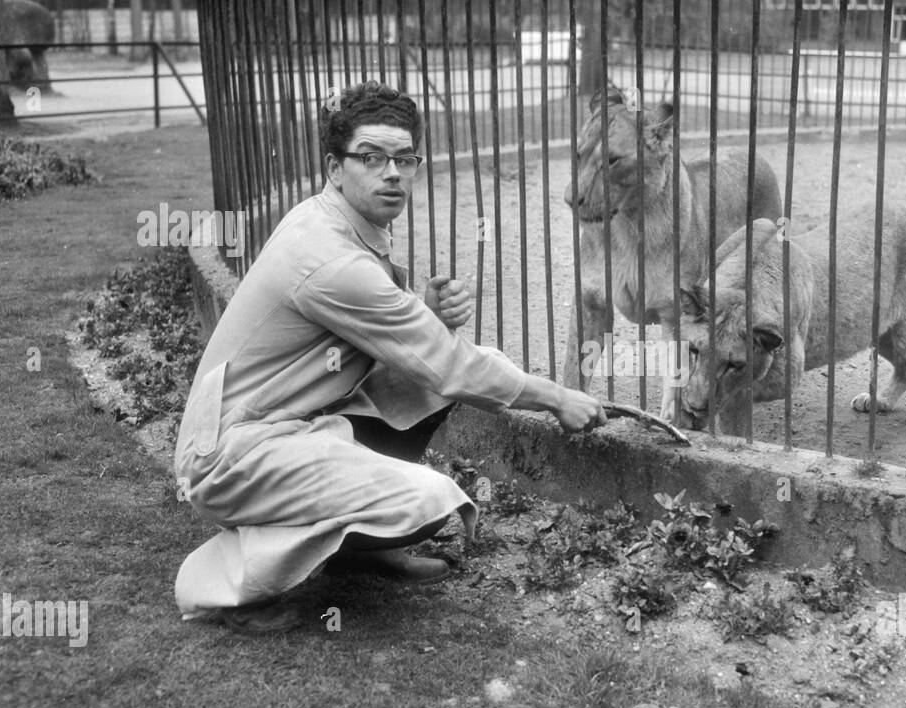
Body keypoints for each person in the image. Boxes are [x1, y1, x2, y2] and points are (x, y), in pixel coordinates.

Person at [173, 79, 606, 629]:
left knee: (430, 380)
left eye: (405, 158)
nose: (393, 173)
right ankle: (225, 586)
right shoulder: (331, 258)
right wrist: (557, 397)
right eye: (371, 157)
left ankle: (359, 549)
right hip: (229, 459)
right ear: (335, 166)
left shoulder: (328, 218)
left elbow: (398, 347)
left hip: (278, 424)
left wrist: (422, 311)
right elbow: (449, 365)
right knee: (429, 501)